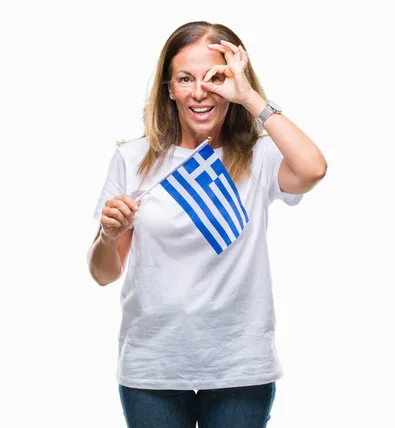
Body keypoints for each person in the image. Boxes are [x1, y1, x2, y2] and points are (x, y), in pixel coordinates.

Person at [87, 21, 327, 428]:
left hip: (239, 365)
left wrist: (251, 97)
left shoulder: (259, 157)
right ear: (169, 87)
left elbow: (313, 169)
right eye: (185, 79)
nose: (200, 92)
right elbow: (104, 274)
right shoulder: (132, 159)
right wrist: (108, 236)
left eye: (215, 78)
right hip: (154, 366)